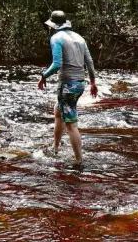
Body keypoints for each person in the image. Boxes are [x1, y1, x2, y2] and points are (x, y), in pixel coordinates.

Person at [38, 10, 97, 164]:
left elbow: (57, 64)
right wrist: (92, 83)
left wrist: (43, 76)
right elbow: (89, 62)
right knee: (58, 111)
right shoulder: (79, 38)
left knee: (71, 123)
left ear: (53, 25)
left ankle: (79, 161)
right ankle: (55, 147)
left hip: (67, 85)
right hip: (80, 84)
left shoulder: (56, 38)